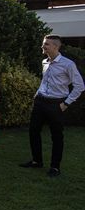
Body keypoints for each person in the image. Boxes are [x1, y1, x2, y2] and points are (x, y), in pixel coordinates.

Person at [19, 35, 84, 177]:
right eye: (43, 44)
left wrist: (66, 103)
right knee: (33, 131)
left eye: (46, 44)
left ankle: (55, 167)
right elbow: (45, 81)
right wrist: (37, 93)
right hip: (41, 102)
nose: (43, 46)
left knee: (57, 136)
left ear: (56, 46)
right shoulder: (44, 62)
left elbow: (80, 86)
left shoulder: (68, 64)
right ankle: (37, 161)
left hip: (56, 104)